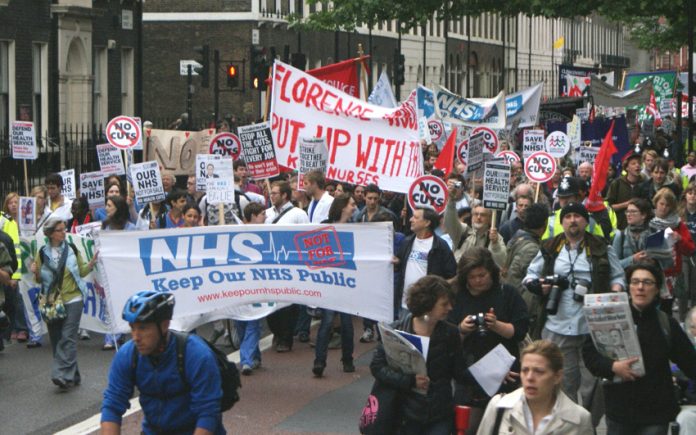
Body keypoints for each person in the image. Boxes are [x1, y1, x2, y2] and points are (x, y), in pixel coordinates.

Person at [523, 202, 624, 409]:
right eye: (567, 217)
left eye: (577, 216)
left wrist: (614, 292)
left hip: (592, 326)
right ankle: (569, 425)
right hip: (557, 324)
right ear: (562, 222)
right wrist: (538, 286)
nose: (572, 220)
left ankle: (587, 424)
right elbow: (529, 276)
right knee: (562, 384)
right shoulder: (550, 247)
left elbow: (619, 276)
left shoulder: (601, 246)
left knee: (592, 386)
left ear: (586, 221)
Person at [583, 262, 696, 435]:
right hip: (619, 410)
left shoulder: (666, 323)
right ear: (629, 287)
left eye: (647, 282)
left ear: (657, 289)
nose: (640, 287)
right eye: (635, 282)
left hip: (655, 413)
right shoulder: (609, 316)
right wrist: (613, 367)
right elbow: (590, 355)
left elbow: (690, 362)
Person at [101, 291, 226, 434]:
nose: (135, 337)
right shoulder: (128, 354)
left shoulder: (197, 354)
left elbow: (208, 413)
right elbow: (112, 405)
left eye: (143, 328)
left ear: (164, 325)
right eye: (132, 327)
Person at [370, 275, 467, 435]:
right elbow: (377, 367)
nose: (450, 308)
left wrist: (491, 374)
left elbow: (460, 371)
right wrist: (409, 381)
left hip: (439, 413)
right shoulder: (395, 331)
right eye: (444, 304)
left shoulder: (450, 333)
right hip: (404, 413)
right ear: (428, 305)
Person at [450, 247, 530, 433]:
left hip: (504, 371)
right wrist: (461, 329)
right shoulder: (456, 296)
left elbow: (519, 331)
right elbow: (447, 335)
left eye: (482, 275)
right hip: (467, 374)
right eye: (472, 277)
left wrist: (496, 325)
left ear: (491, 272)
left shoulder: (507, 293)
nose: (478, 280)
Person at [31, 217, 98, 389]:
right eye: (60, 230)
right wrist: (36, 272)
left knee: (68, 336)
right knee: (56, 338)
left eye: (64, 229)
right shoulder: (42, 253)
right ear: (51, 234)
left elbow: (82, 271)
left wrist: (92, 263)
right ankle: (73, 375)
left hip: (74, 298)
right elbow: (39, 280)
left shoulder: (72, 249)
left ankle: (60, 373)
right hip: (52, 301)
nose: (64, 232)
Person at [477, 340, 593, 435]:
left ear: (557, 376)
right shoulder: (499, 406)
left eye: (539, 371)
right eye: (525, 370)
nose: (530, 377)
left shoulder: (579, 419)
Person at [312, 194, 356, 377]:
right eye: (351, 204)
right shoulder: (325, 225)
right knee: (327, 322)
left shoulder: (355, 229)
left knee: (346, 323)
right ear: (343, 207)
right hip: (329, 281)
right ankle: (319, 362)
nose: (354, 207)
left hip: (346, 282)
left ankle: (347, 359)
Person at [265, 180, 309, 352]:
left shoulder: (298, 214)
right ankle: (277, 331)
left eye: (275, 193)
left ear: (284, 195)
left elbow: (306, 238)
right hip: (270, 266)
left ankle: (286, 337)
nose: (271, 195)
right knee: (270, 304)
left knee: (288, 304)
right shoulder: (267, 213)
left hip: (290, 265)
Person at [395, 207, 456, 319]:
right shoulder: (407, 242)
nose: (410, 219)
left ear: (427, 222)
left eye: (416, 217)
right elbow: (400, 266)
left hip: (428, 307)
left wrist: (434, 291)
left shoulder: (440, 246)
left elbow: (452, 275)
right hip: (405, 304)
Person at [503, 203, 549, 339]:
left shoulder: (518, 238)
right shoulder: (532, 249)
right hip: (522, 307)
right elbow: (526, 284)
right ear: (545, 223)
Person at [650, 188, 696, 314]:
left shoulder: (678, 224)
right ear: (656, 203)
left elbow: (691, 249)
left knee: (666, 309)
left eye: (668, 205)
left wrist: (680, 239)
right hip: (652, 271)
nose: (664, 208)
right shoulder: (648, 221)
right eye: (661, 204)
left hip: (671, 275)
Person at [236, 203, 266, 375]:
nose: (266, 217)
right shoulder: (235, 233)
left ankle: (246, 360)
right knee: (240, 323)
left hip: (257, 286)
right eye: (262, 214)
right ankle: (254, 356)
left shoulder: (267, 233)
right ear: (253, 216)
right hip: (238, 286)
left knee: (253, 322)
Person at [607, 152, 644, 230]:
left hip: (640, 228)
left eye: (639, 163)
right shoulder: (617, 183)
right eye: (633, 163)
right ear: (626, 167)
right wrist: (627, 204)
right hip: (621, 227)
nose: (637, 165)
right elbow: (609, 207)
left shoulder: (644, 183)